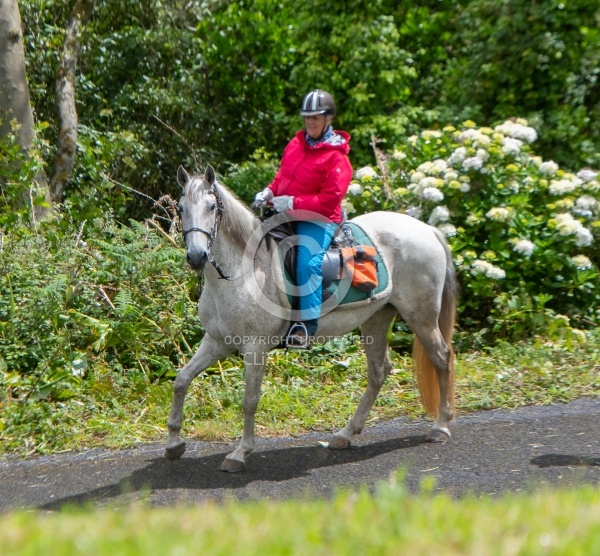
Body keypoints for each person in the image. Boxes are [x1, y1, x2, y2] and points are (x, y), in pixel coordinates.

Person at [254, 89, 353, 348]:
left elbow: (329, 200)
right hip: (285, 213)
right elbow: (282, 178)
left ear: (328, 119)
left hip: (318, 218)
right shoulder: (296, 144)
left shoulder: (338, 159)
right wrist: (270, 191)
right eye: (307, 117)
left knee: (307, 263)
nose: (310, 122)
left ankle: (305, 328)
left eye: (316, 118)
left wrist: (294, 202)